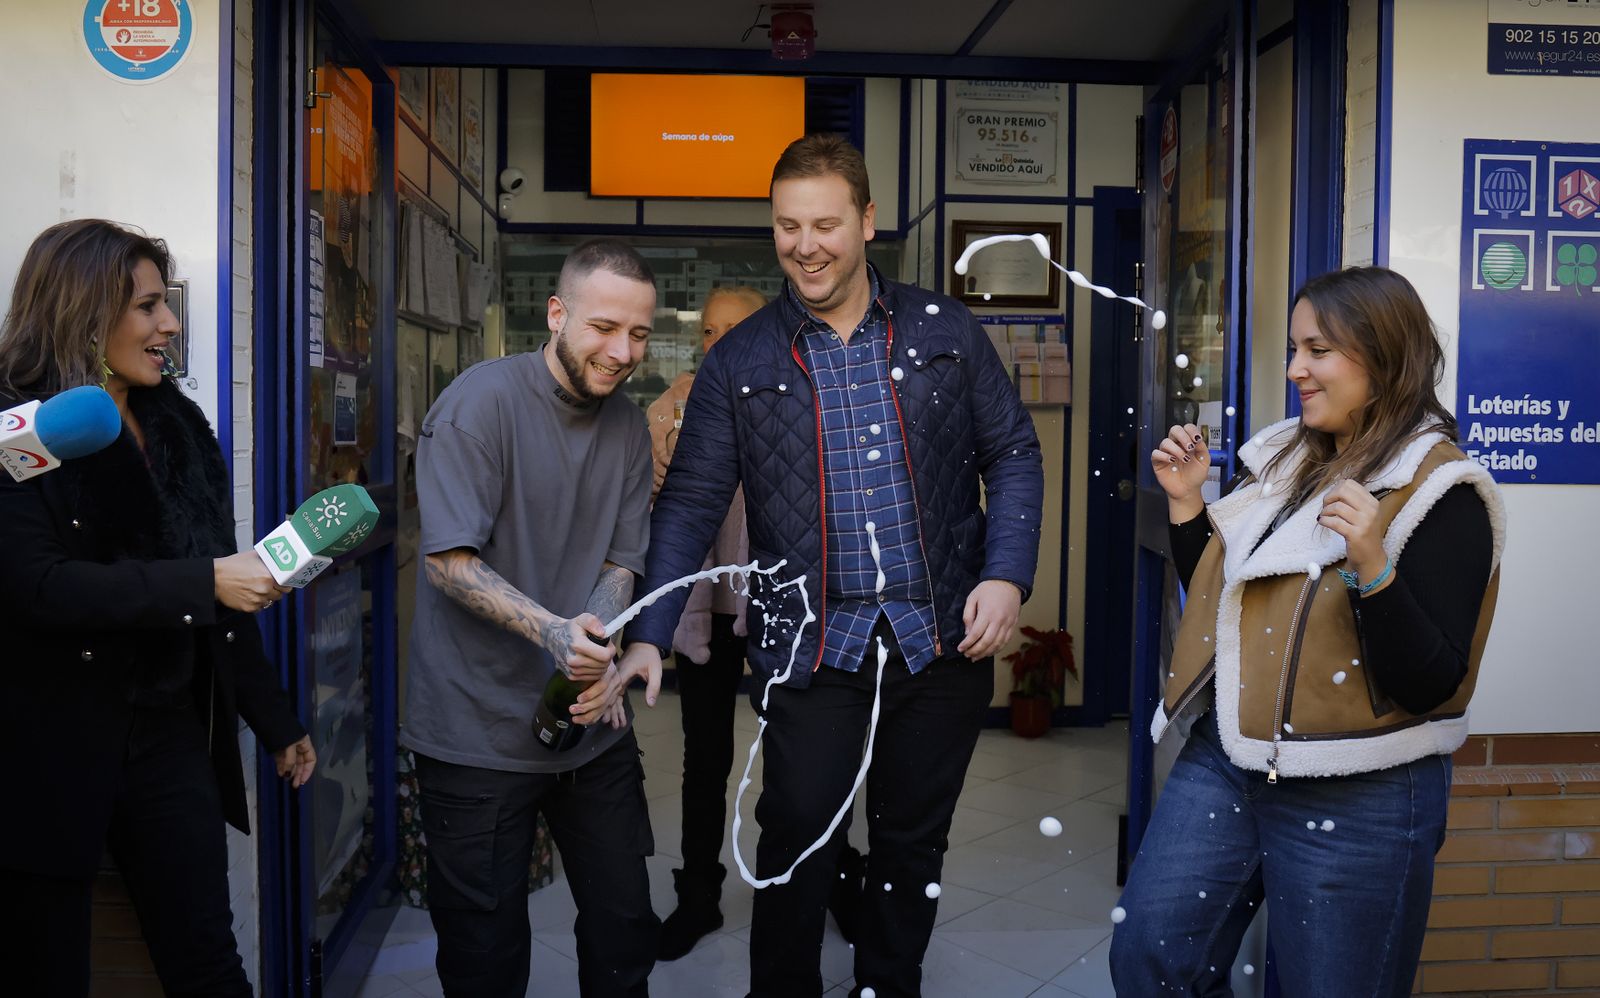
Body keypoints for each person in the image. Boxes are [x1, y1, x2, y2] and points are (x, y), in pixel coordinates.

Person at [604, 134, 1045, 997]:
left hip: (938, 638)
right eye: (786, 226)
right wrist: (651, 631)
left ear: (868, 222)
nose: (805, 244)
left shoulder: (945, 331)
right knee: (798, 829)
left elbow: (1015, 455)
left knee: (911, 840)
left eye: (825, 224)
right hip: (811, 646)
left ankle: (888, 983)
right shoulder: (741, 360)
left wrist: (1006, 574)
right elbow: (691, 502)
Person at [1109, 266, 1506, 996]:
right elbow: (1233, 600)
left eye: (1317, 350)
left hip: (1364, 789)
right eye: (1295, 349)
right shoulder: (1290, 460)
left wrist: (1373, 569)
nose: (1296, 369)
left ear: (1383, 359)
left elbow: (1429, 681)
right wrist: (1189, 506)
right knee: (1150, 957)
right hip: (1233, 760)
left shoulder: (1445, 492)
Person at [0, 219, 316, 997]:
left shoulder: (177, 423)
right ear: (83, 309)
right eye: (147, 307)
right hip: (45, 745)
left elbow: (227, 586)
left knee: (207, 958)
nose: (169, 323)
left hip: (169, 732)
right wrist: (202, 582)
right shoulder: (19, 428)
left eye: (164, 305)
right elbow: (38, 587)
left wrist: (273, 718)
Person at [402, 238, 661, 997]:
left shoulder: (627, 428)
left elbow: (622, 561)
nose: (621, 352)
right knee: (486, 958)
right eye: (603, 327)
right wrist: (553, 632)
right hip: (473, 732)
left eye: (638, 334)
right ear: (557, 312)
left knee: (624, 930)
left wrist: (597, 641)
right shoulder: (478, 406)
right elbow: (448, 562)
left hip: (588, 723)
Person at [646, 285, 869, 961]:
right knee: (704, 755)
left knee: (808, 758)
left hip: (789, 605)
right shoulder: (674, 402)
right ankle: (698, 896)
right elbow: (661, 496)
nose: (719, 344)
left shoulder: (803, 386)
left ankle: (829, 880)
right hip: (705, 607)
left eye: (733, 330)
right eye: (709, 331)